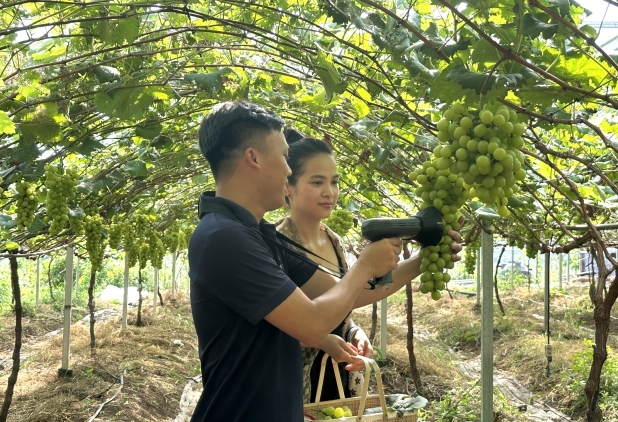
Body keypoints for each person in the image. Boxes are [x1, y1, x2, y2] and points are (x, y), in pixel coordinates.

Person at [189, 100, 463, 421]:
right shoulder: (224, 238)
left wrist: (419, 262)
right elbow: (311, 323)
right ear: (254, 157)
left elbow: (348, 293)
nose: (289, 170)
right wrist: (364, 266)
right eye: (283, 157)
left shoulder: (257, 235)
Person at [276, 132, 372, 403]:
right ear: (288, 187)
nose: (329, 192)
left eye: (334, 182)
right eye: (317, 182)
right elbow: (272, 328)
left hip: (337, 372)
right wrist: (319, 340)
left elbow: (342, 305)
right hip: (297, 381)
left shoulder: (334, 240)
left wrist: (354, 332)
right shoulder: (278, 244)